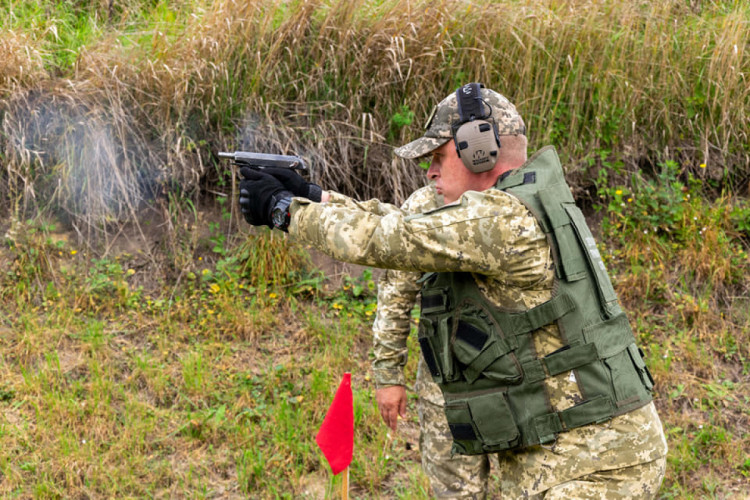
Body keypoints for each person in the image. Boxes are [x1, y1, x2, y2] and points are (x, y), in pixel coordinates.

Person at [237, 83, 668, 499]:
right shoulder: (516, 203)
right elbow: (403, 226)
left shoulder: (503, 218)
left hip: (595, 468)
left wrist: (283, 210)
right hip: (575, 460)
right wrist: (312, 195)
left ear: (479, 150)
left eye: (441, 156)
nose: (430, 171)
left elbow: (387, 240)